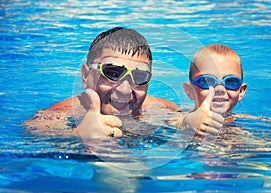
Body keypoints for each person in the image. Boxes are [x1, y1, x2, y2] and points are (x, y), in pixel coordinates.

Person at [24, 27, 179, 138]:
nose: (124, 90)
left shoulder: (160, 109)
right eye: (112, 73)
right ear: (86, 76)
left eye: (139, 77)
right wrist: (77, 135)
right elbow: (30, 135)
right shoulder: (60, 115)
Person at [180, 44, 248, 136]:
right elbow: (165, 121)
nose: (220, 89)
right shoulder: (182, 118)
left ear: (241, 92)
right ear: (190, 91)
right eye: (207, 81)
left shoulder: (247, 122)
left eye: (230, 82)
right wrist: (186, 123)